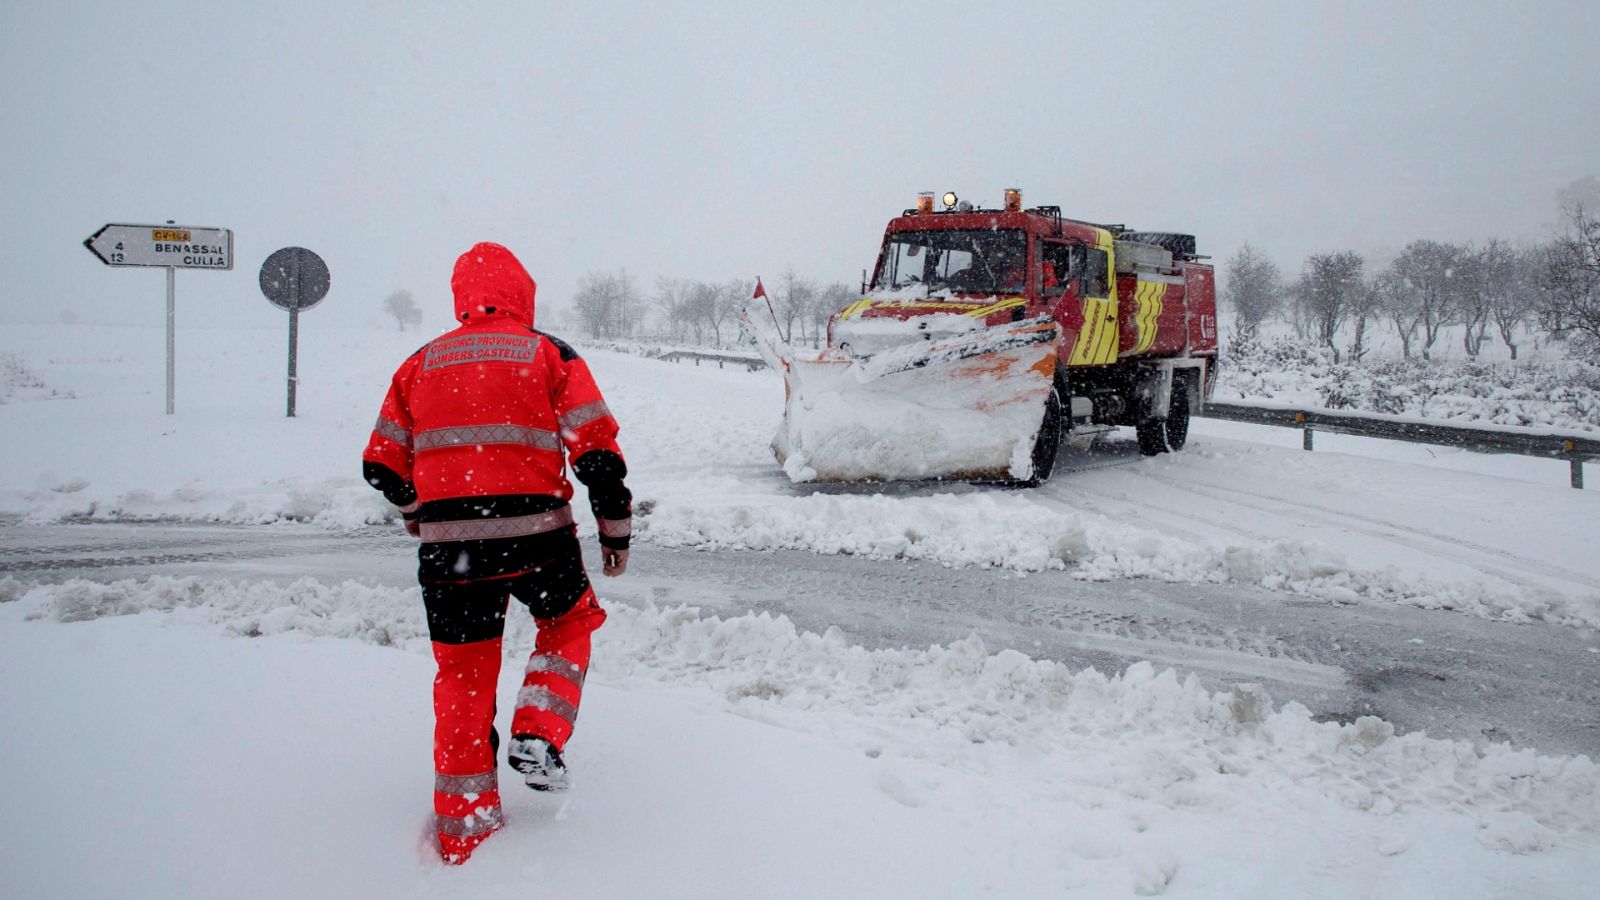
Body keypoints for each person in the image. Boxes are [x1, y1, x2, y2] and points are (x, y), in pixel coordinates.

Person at [362, 242, 632, 865]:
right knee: (571, 622)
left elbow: (379, 462)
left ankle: (465, 827)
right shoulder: (548, 353)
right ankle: (538, 729)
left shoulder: (417, 365)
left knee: (461, 675)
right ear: (523, 294)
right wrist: (615, 533)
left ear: (462, 296)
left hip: (449, 550)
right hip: (538, 539)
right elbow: (597, 454)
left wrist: (414, 512)